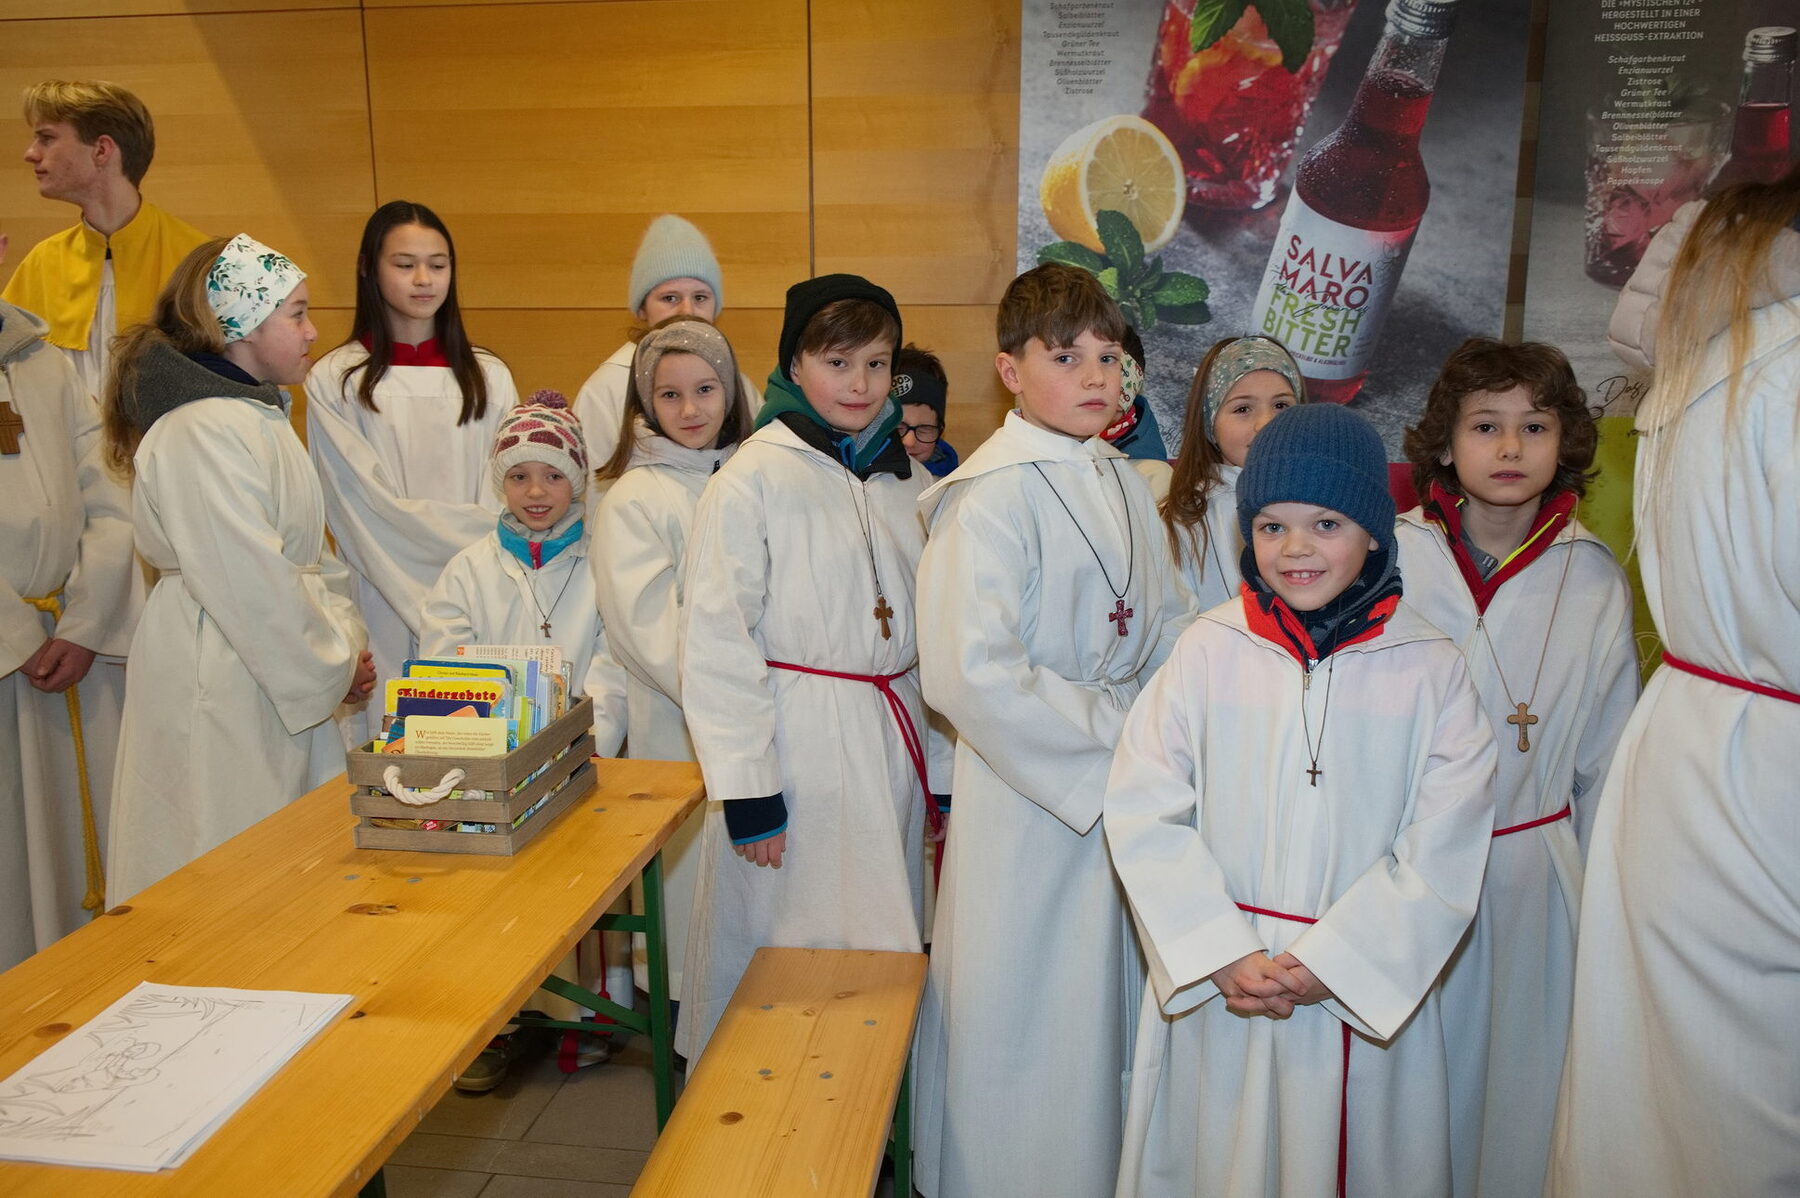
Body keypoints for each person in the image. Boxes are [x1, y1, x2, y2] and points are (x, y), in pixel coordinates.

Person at [1104, 402, 1498, 1198]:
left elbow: (1445, 844)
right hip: (1228, 984)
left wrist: (1336, 963)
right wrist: (1218, 950)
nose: (1295, 549)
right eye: (1271, 526)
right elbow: (1144, 805)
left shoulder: (1431, 667)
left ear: (1373, 534)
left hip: (1355, 992)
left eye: (1326, 524)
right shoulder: (1208, 648)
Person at [911, 263, 1188, 1198]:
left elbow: (1167, 622)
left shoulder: (1122, 480)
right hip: (1031, 795)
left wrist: (1170, 729)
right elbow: (969, 670)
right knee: (1026, 1013)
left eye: (1108, 357)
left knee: (1102, 1011)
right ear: (1011, 371)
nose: (1094, 375)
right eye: (1066, 357)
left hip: (1126, 776)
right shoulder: (988, 496)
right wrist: (1113, 743)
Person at [1549, 173, 1800, 1197]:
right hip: (1769, 779)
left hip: (1685, 754)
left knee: (1659, 1098)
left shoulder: (1702, 374)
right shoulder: (1785, 372)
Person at [675, 274, 947, 1062]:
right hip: (796, 751)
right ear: (794, 364)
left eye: (876, 364)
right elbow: (716, 639)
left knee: (880, 946)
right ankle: (752, 1106)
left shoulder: (910, 483)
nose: (859, 384)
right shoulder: (752, 478)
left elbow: (936, 636)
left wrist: (940, 766)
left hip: (888, 737)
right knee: (786, 941)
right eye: (837, 363)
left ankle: (865, 1101)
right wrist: (749, 789)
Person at [1395, 337, 1638, 1198]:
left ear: (1565, 440)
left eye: (1534, 426)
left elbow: (1608, 762)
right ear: (1444, 443)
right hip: (1404, 869)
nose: (1509, 447)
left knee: (1519, 1090)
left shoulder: (1593, 577)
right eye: (1485, 426)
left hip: (1532, 873)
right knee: (1411, 1089)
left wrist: (1608, 905)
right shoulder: (1391, 559)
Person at [102, 235, 372, 901]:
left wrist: (346, 644)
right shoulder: (200, 431)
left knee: (285, 865)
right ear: (241, 326)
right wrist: (332, 666)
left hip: (270, 661)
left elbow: (311, 560)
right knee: (222, 860)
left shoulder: (254, 417)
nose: (313, 332)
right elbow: (248, 580)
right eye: (297, 314)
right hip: (222, 668)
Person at [418, 389, 627, 1091]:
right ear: (498, 482)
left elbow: (615, 659)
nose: (536, 492)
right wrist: (486, 738)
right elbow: (444, 656)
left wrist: (584, 735)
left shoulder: (602, 564)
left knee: (577, 891)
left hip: (573, 761)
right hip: (490, 768)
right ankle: (493, 1028)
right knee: (489, 901)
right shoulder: (469, 568)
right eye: (518, 475)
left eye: (553, 475)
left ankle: (585, 1017)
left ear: (580, 480)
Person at [304, 201, 518, 745]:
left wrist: (467, 582)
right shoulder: (336, 380)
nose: (424, 279)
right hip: (380, 595)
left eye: (438, 264)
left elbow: (508, 496)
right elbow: (358, 506)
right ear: (368, 269)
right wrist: (446, 581)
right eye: (405, 264)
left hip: (480, 595)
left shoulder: (488, 377)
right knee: (390, 755)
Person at [592, 316, 754, 1007]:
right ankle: (690, 1038)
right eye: (669, 395)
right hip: (683, 729)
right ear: (643, 403)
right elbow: (647, 631)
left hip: (760, 720)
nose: (690, 409)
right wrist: (741, 694)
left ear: (731, 392)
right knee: (694, 903)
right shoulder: (635, 498)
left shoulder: (751, 478)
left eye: (705, 389)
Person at [0, 252, 135, 969]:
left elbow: (109, 492)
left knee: (73, 840)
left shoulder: (42, 362)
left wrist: (83, 623)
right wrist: (16, 632)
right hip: (15, 647)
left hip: (67, 648)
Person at [4, 81, 209, 399]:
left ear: (101, 150)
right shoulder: (41, 262)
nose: (30, 154)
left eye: (46, 138)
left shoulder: (199, 263)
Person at [572, 214, 761, 465]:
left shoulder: (739, 384)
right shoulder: (604, 390)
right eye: (670, 298)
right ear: (642, 308)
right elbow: (594, 482)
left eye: (700, 298)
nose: (687, 310)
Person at [1148, 335, 1307, 615]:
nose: (1266, 424)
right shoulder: (1181, 521)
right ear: (1210, 423)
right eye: (1242, 409)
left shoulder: (1331, 507)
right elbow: (1171, 622)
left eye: (1281, 405)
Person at [892, 343, 958, 477]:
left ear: (940, 432)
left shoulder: (953, 483)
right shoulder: (852, 480)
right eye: (898, 428)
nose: (909, 442)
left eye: (924, 430)